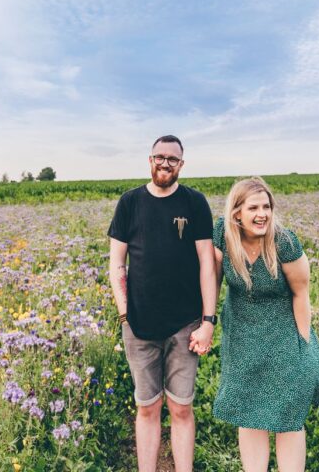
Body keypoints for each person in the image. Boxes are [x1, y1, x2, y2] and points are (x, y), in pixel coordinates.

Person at [210, 177, 319, 472]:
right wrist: (206, 323)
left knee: (288, 417)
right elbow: (210, 284)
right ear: (236, 212)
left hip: (284, 337)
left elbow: (301, 294)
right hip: (241, 336)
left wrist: (303, 345)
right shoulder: (223, 236)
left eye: (266, 206)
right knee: (247, 412)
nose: (262, 213)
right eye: (253, 207)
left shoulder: (284, 242)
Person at [108, 135, 218, 472]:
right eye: (160, 157)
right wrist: (125, 313)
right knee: (147, 408)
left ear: (181, 165)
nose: (165, 163)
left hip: (186, 325)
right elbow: (116, 264)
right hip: (139, 325)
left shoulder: (195, 203)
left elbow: (206, 264)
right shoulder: (130, 203)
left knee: (181, 407)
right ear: (150, 160)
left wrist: (208, 320)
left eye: (173, 159)